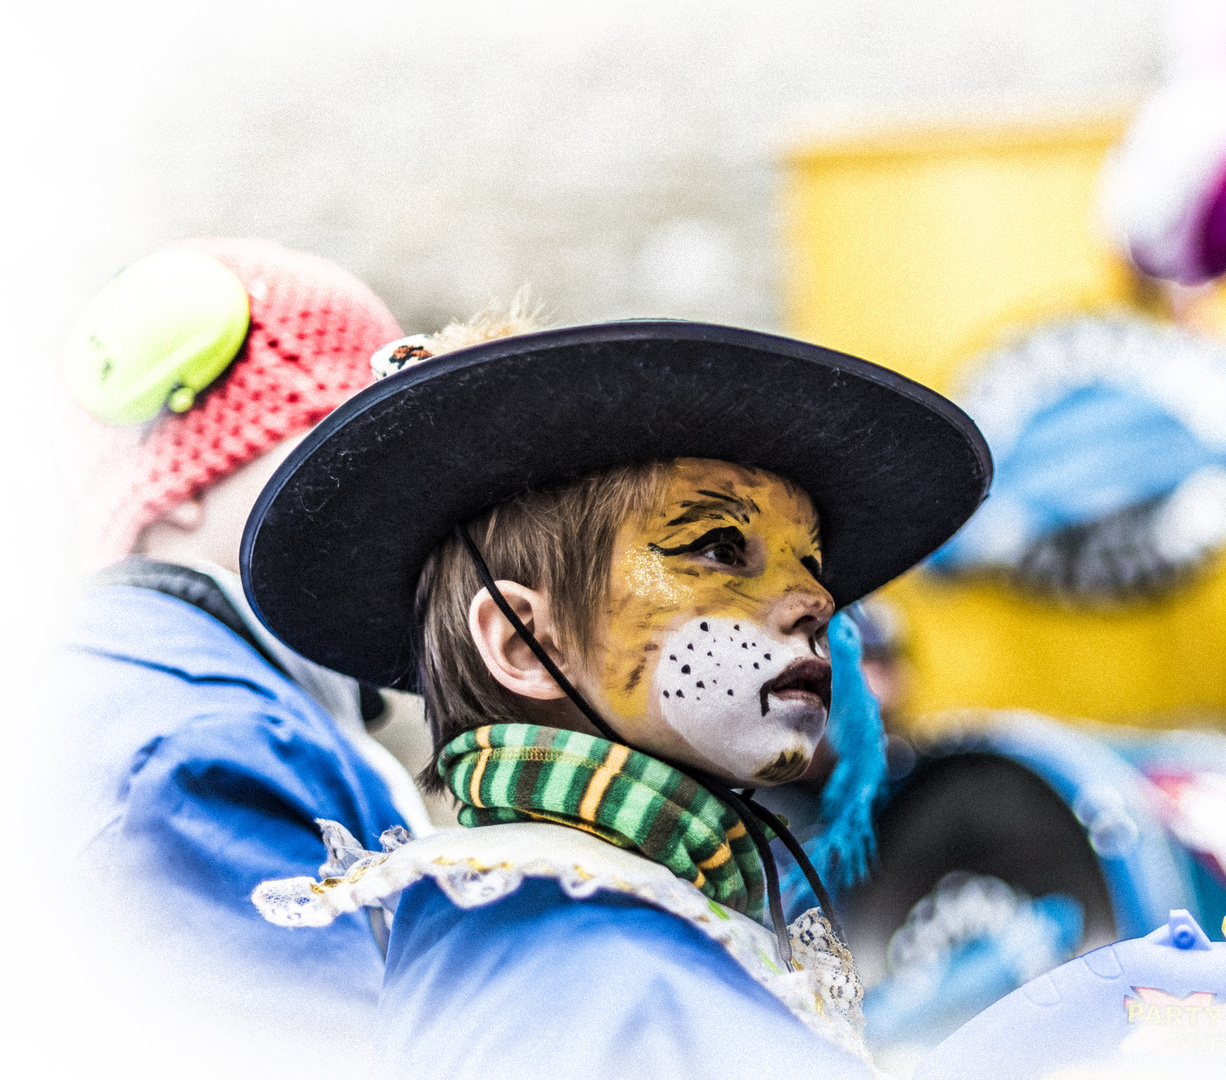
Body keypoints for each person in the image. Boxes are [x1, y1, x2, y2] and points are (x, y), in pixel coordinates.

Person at [245, 314, 991, 1077]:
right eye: (721, 548)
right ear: (519, 642)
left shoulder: (612, 925)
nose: (815, 600)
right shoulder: (582, 971)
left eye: (812, 563)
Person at [52, 239, 431, 1051]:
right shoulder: (203, 752)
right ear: (183, 485)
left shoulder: (145, 690)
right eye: (335, 444)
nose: (389, 499)